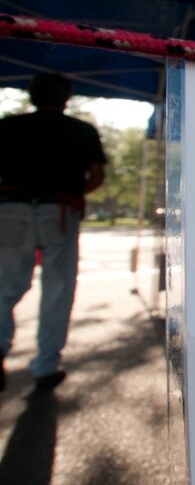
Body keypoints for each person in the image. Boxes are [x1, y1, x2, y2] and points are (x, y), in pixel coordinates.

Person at [0, 73, 106, 392]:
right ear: (66, 98)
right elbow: (97, 176)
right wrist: (74, 194)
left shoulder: (8, 126)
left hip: (10, 209)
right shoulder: (81, 131)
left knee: (5, 285)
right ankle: (46, 365)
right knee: (58, 288)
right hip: (59, 210)